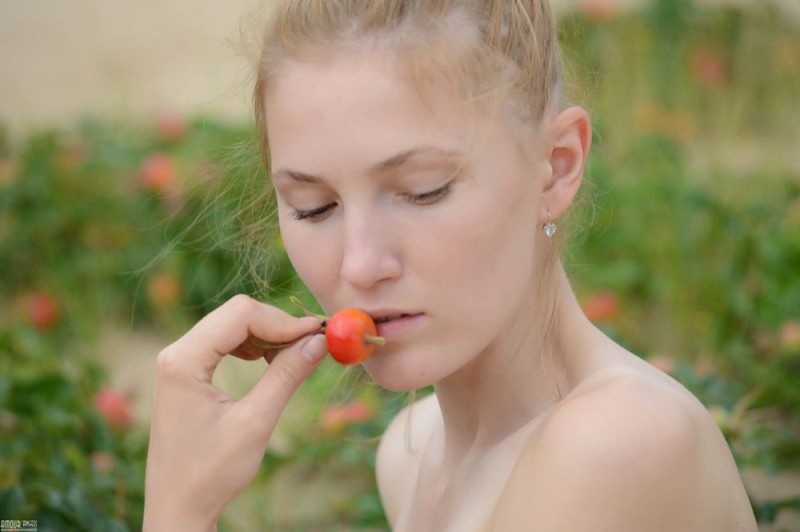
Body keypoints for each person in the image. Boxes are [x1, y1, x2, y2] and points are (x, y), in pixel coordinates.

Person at [143, 1, 759, 530]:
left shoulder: (617, 443)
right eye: (313, 206)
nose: (360, 265)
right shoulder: (410, 456)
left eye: (424, 191)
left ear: (557, 166)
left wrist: (178, 508)